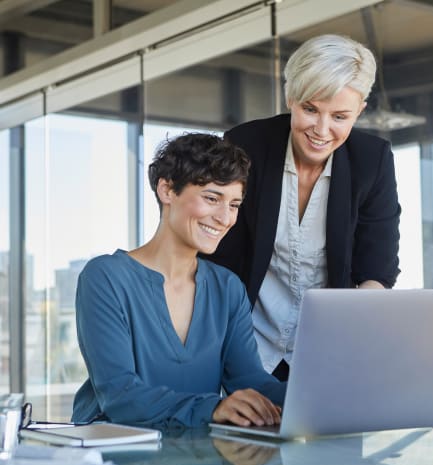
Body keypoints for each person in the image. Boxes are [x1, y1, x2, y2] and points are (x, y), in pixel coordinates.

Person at [207, 34, 401, 381]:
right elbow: (218, 260)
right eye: (310, 109)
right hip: (245, 346)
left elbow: (378, 268)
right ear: (290, 98)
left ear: (360, 111)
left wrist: (358, 319)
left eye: (340, 116)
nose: (322, 131)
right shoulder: (246, 145)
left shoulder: (373, 161)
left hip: (328, 353)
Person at [71, 133, 285, 430]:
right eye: (212, 198)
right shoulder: (105, 278)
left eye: (234, 204)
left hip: (196, 464)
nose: (225, 218)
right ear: (167, 190)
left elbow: (249, 380)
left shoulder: (227, 287)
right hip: (116, 461)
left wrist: (312, 397)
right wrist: (214, 407)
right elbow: (119, 395)